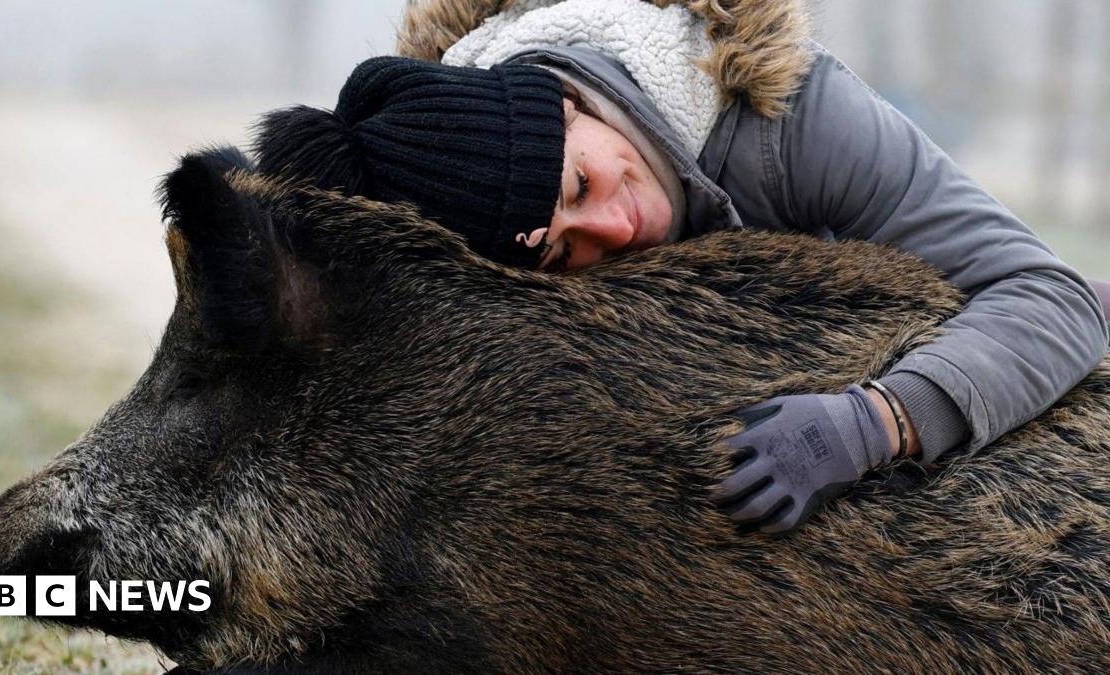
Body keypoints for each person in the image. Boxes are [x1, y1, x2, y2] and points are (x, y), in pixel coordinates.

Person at [253, 0, 1110, 533]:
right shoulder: (444, 197)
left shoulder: (791, 117)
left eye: (580, 181)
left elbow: (1051, 295)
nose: (618, 225)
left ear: (566, 99)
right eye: (564, 248)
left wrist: (875, 422)